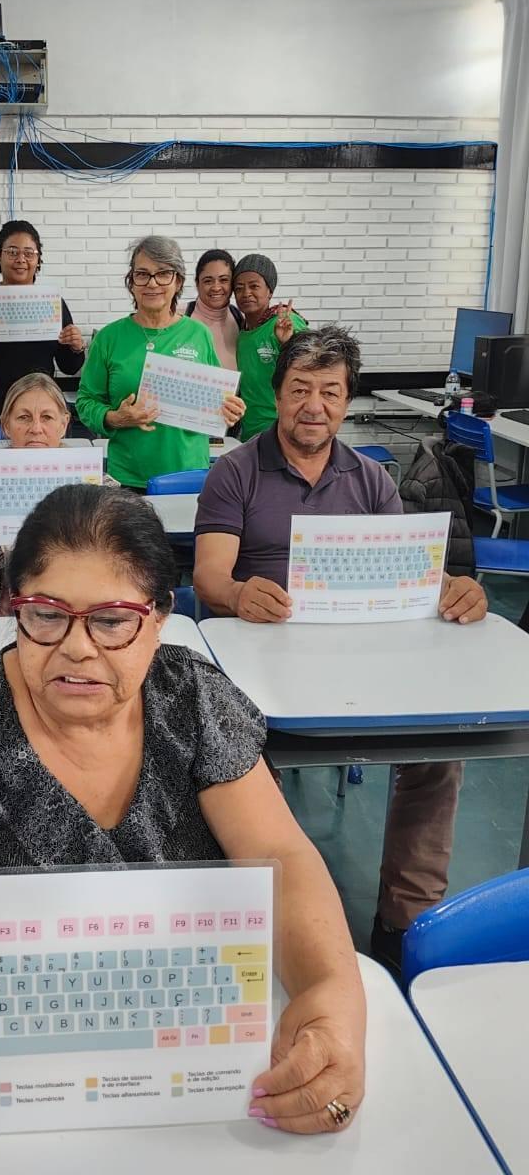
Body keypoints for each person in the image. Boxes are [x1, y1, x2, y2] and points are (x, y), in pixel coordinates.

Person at [0, 484, 366, 1157]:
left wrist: (333, 993)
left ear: (160, 617)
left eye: (112, 621)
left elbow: (280, 856)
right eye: (46, 615)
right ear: (13, 608)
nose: (78, 649)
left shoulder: (189, 700)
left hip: (183, 1066)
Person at [192, 327, 488, 973]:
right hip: (263, 662)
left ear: (347, 401)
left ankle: (402, 924)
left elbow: (411, 572)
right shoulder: (234, 472)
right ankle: (269, 920)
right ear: (277, 395)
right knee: (238, 756)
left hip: (363, 657)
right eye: (300, 389)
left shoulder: (371, 480)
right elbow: (209, 576)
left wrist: (453, 589)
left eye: (330, 392)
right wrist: (240, 594)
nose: (314, 405)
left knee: (439, 757)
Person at [75, 236, 246, 491]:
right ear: (131, 282)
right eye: (142, 274)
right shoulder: (109, 338)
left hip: (188, 474)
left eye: (163, 274)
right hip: (129, 477)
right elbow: (86, 401)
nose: (152, 283)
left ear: (177, 281)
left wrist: (230, 409)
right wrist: (114, 417)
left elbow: (217, 398)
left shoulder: (198, 334)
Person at [0, 372, 117, 616]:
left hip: (81, 622)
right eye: (23, 417)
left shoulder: (102, 492)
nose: (36, 428)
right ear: (6, 425)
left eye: (47, 417)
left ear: (64, 424)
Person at [0, 220, 85, 426]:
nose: (21, 259)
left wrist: (75, 346)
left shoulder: (52, 302)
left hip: (38, 408)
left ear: (38, 260)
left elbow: (69, 367)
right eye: (12, 252)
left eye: (29, 253)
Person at [232, 253, 307, 441]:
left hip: (284, 430)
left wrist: (287, 342)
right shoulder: (241, 332)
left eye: (254, 286)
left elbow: (313, 369)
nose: (246, 293)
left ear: (270, 291)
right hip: (250, 432)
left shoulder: (286, 323)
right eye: (239, 288)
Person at [184, 248, 241, 370]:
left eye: (224, 280)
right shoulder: (179, 315)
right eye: (208, 281)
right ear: (197, 283)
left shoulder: (240, 319)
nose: (216, 287)